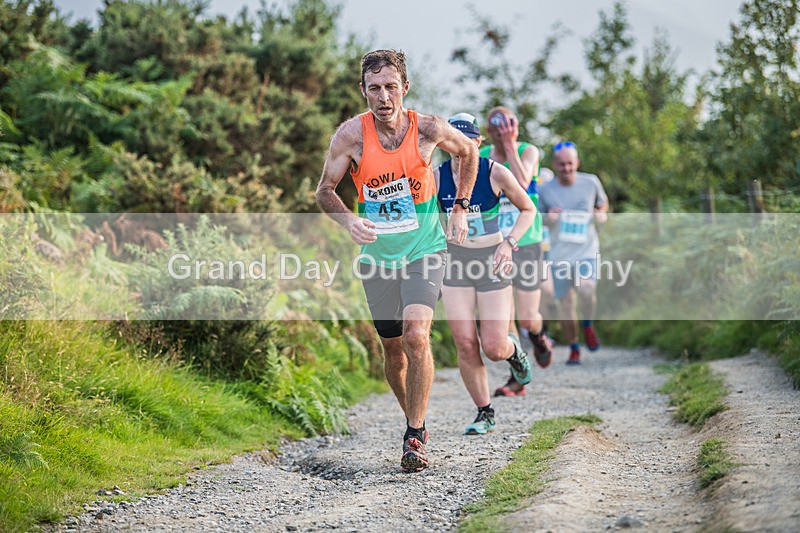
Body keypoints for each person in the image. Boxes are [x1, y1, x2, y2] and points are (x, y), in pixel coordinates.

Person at [315, 50, 479, 472]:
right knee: (392, 350)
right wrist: (349, 221)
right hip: (377, 256)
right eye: (374, 88)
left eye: (391, 87)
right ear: (364, 91)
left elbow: (468, 153)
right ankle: (413, 416)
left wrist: (459, 205)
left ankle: (415, 432)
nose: (383, 96)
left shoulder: (428, 129)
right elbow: (324, 191)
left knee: (416, 335)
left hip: (425, 248)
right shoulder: (350, 137)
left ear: (405, 88)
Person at [435, 112, 535, 435]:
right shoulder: (435, 177)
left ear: (479, 143)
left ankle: (515, 352)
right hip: (456, 263)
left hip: (492, 261)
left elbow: (528, 209)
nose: (461, 149)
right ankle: (484, 411)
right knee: (465, 343)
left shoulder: (495, 173)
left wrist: (509, 243)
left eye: (468, 142)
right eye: (454, 142)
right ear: (447, 144)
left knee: (493, 346)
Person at [480, 107, 553, 398]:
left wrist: (509, 145)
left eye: (509, 127)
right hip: (495, 244)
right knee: (504, 317)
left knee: (526, 317)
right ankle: (517, 377)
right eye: (496, 129)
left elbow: (523, 184)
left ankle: (538, 335)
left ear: (517, 129)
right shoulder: (483, 154)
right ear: (487, 132)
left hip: (527, 241)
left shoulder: (528, 151)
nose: (502, 132)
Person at [538, 141, 608, 365]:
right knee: (566, 304)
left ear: (577, 162)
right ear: (554, 165)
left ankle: (587, 324)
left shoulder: (591, 182)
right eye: (561, 164)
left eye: (570, 164)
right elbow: (534, 218)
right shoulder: (545, 190)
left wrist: (600, 214)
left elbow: (603, 203)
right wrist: (548, 218)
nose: (566, 168)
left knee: (587, 289)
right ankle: (574, 347)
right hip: (559, 254)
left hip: (586, 250)